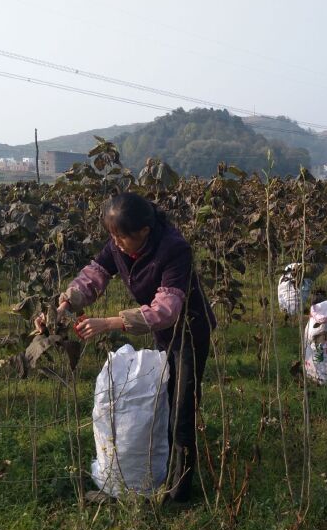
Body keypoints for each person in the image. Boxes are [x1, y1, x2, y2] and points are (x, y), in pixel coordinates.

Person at [41, 192, 216, 502]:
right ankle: (156, 470)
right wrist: (63, 306)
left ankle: (179, 492)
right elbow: (93, 276)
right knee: (163, 397)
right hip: (163, 333)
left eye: (122, 237)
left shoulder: (174, 249)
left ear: (144, 232)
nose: (116, 243)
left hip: (189, 331)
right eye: (112, 236)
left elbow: (167, 310)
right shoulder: (119, 245)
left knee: (182, 408)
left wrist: (109, 323)